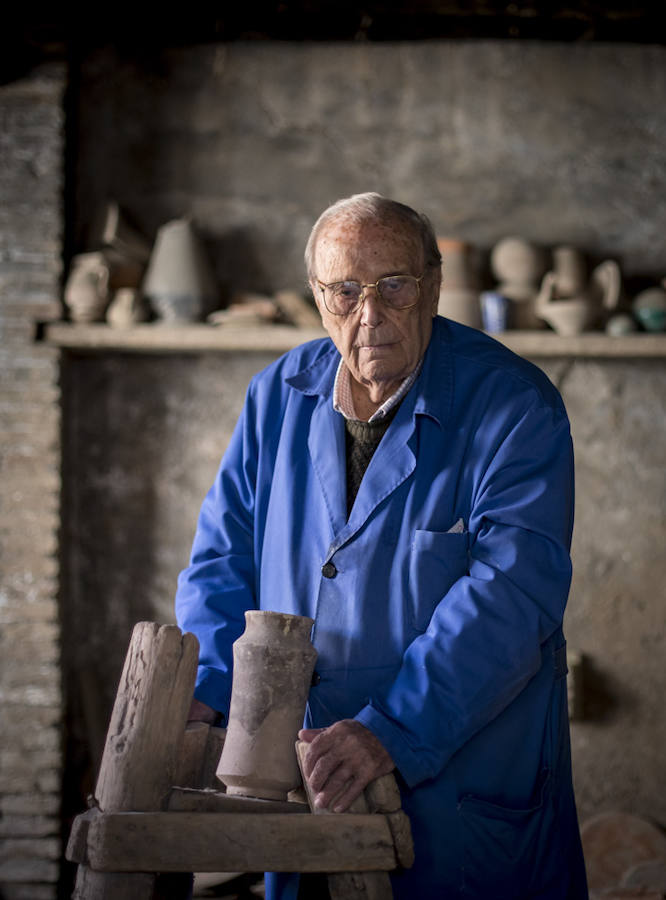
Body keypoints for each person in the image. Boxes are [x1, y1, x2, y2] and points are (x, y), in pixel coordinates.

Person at [175, 192, 588, 899]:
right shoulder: (276, 395)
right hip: (307, 771)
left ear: (432, 286)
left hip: (459, 784)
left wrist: (392, 729)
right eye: (344, 291)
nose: (369, 315)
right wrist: (209, 694)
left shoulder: (515, 405)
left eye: (393, 286)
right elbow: (223, 555)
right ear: (317, 296)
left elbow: (513, 597)